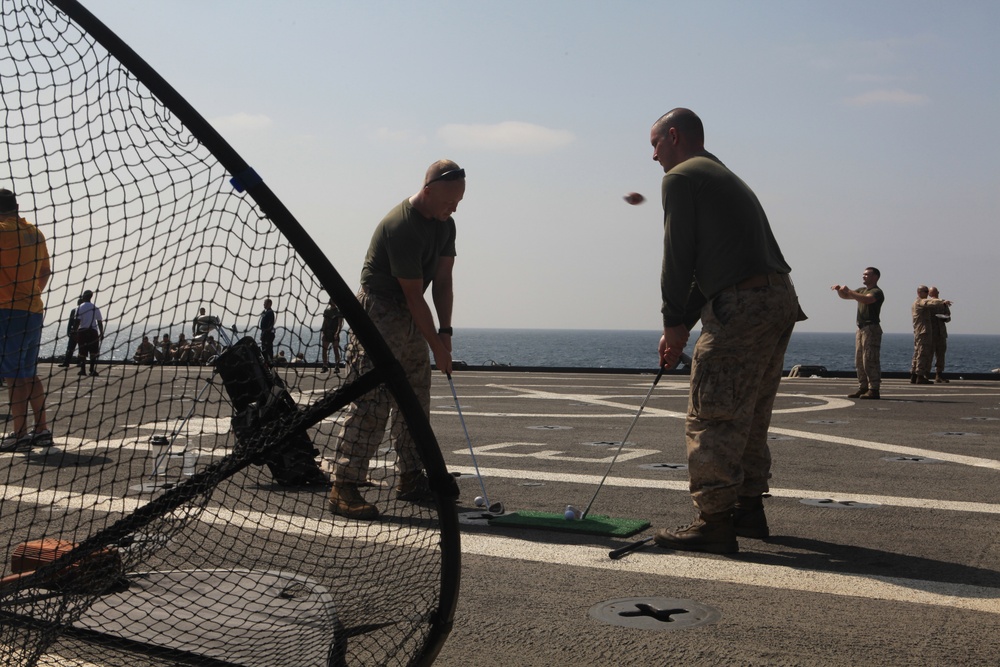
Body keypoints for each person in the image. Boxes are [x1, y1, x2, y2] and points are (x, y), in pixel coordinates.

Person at [644, 109, 803, 554]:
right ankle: (748, 509)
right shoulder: (719, 173)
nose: (653, 156)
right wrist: (681, 322)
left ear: (673, 136)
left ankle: (714, 521)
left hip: (742, 305)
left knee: (712, 412)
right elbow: (713, 263)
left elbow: (679, 255)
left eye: (655, 145)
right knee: (748, 411)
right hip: (776, 298)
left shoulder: (681, 178)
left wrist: (672, 320)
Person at [329, 159, 462, 520]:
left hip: (408, 312)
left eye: (459, 203)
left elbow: (444, 280)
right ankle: (344, 485)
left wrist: (446, 334)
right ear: (429, 190)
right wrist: (436, 346)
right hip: (381, 309)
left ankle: (410, 477)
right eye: (450, 201)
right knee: (372, 398)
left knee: (416, 396)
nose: (454, 209)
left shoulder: (445, 224)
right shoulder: (403, 226)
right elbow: (414, 296)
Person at [0, 188, 53, 450]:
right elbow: (46, 270)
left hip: (6, 312)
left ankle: (19, 434)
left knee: (13, 376)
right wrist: (30, 293)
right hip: (33, 309)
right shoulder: (35, 232)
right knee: (29, 373)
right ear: (16, 205)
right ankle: (41, 429)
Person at [832, 267, 884, 400]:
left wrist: (848, 290)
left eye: (867, 275)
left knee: (870, 359)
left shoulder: (876, 292)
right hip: (861, 328)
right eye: (863, 274)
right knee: (859, 360)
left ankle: (874, 388)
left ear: (875, 277)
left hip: (871, 328)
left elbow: (867, 300)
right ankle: (863, 387)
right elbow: (846, 296)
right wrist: (840, 291)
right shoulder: (862, 290)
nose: (864, 277)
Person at [75, 290, 104, 377]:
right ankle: (92, 369)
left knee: (82, 352)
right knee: (93, 352)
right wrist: (102, 333)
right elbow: (99, 322)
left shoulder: (80, 307)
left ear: (84, 296)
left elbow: (77, 321)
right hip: (93, 331)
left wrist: (75, 332)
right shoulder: (95, 307)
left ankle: (82, 370)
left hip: (83, 331)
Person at [909, 285, 934, 385]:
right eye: (925, 291)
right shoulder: (920, 302)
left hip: (919, 331)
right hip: (923, 331)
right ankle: (920, 375)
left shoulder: (917, 303)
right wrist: (942, 301)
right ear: (919, 292)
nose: (927, 293)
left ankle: (914, 375)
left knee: (917, 353)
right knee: (923, 353)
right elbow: (931, 302)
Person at [927, 286, 952, 383]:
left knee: (941, 355)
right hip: (931, 333)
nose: (934, 295)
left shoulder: (943, 304)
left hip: (941, 333)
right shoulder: (928, 303)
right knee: (929, 354)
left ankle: (939, 374)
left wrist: (945, 318)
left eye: (935, 292)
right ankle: (925, 374)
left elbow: (948, 318)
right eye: (932, 293)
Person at [321, 298, 344, 373]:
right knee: (324, 349)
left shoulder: (338, 311)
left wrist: (337, 333)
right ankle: (325, 366)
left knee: (335, 349)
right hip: (327, 332)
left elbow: (340, 324)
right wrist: (323, 332)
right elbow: (324, 322)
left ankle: (337, 366)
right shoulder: (326, 311)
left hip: (334, 332)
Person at [58, 300, 81, 367]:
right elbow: (70, 321)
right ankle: (67, 362)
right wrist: (68, 331)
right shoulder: (74, 311)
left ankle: (78, 362)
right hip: (75, 331)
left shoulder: (80, 311)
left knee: (78, 348)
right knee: (71, 348)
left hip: (79, 331)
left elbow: (71, 322)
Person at [258, 298, 275, 364]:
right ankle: (267, 361)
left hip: (268, 334)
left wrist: (264, 334)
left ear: (269, 304)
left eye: (265, 303)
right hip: (265, 333)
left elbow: (269, 325)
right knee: (265, 348)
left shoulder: (270, 312)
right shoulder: (266, 312)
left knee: (268, 349)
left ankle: (269, 362)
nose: (264, 304)